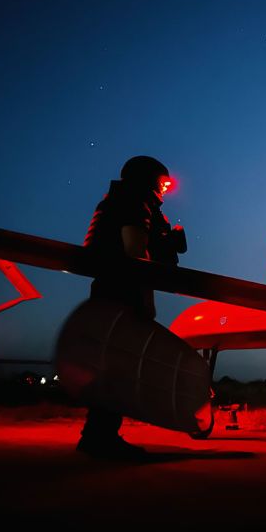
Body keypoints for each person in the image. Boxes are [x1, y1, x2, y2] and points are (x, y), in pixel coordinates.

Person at [76, 155, 186, 459]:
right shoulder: (133, 200)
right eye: (162, 182)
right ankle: (100, 438)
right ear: (149, 180)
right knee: (119, 364)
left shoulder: (120, 199)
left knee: (116, 362)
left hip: (113, 287)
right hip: (124, 289)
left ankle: (98, 434)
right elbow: (134, 250)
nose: (164, 189)